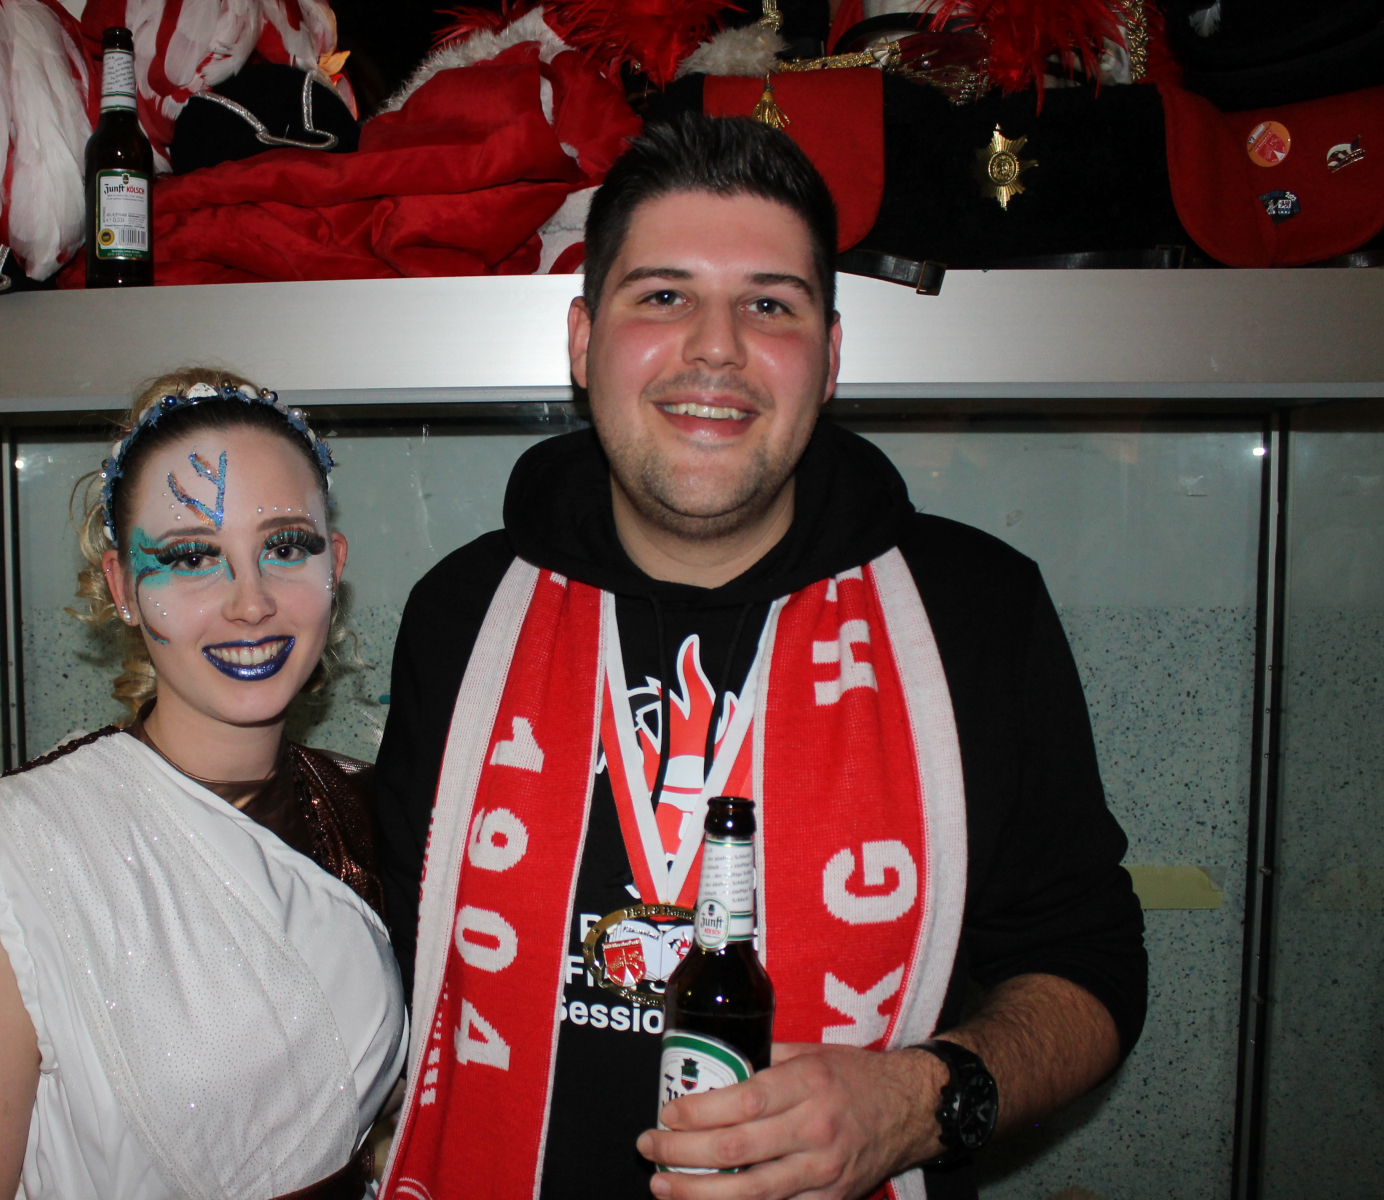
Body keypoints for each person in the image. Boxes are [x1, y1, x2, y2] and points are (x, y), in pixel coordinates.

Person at [372, 114, 1147, 1200]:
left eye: (770, 305)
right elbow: (393, 956)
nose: (717, 348)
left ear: (829, 358)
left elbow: (1089, 964)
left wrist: (918, 1103)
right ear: (583, 341)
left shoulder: (976, 612)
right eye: (663, 295)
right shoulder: (461, 615)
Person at [0, 369, 406, 1200]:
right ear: (122, 586)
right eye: (191, 557)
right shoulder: (10, 865)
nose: (251, 603)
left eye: (284, 547)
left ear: (333, 565)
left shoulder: (367, 808)